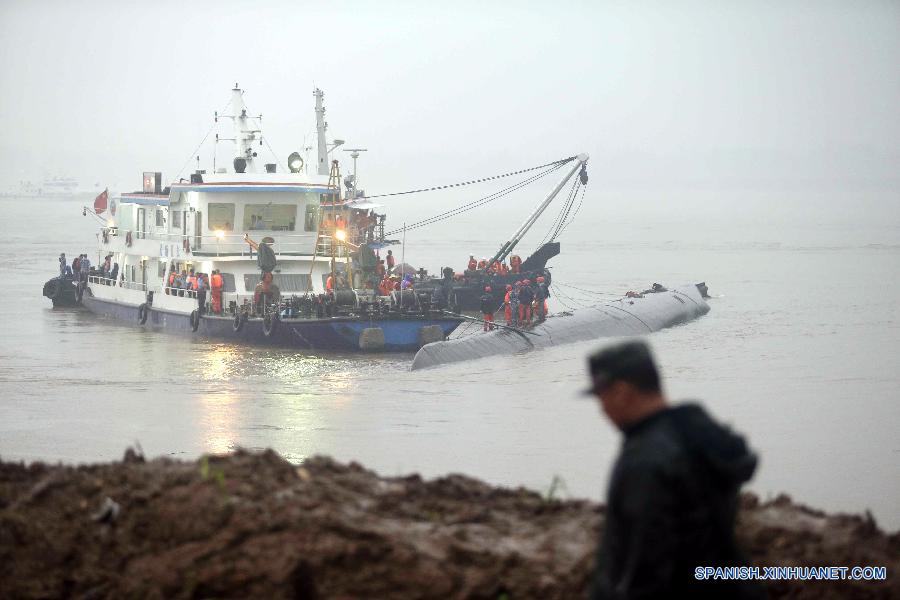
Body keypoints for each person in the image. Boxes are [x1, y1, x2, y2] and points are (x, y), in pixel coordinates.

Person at [584, 341, 764, 600]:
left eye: (601, 398)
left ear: (622, 392)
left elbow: (646, 569)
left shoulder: (645, 461)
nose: (602, 410)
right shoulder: (699, 432)